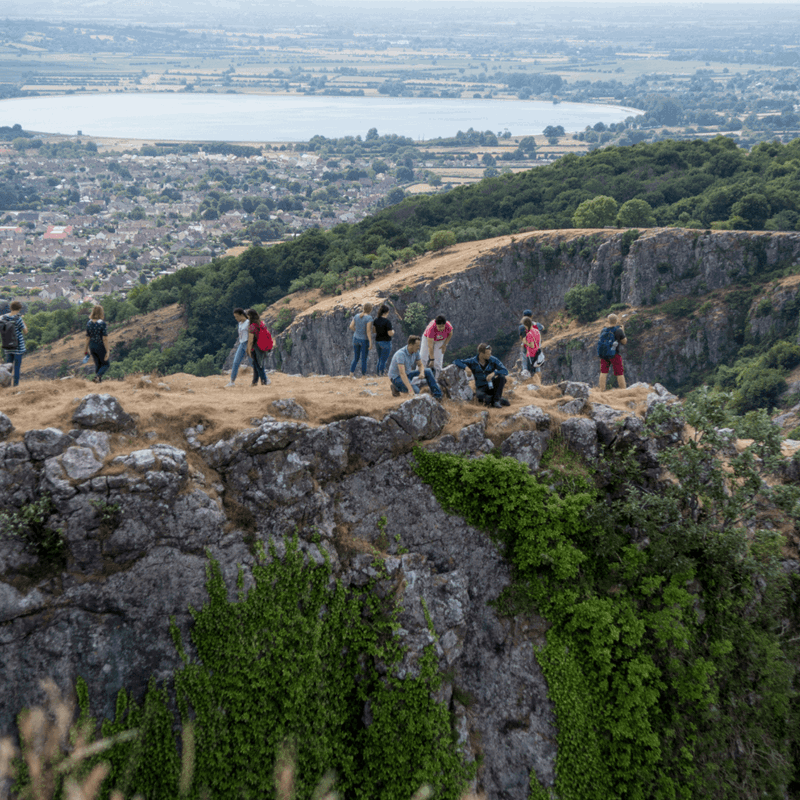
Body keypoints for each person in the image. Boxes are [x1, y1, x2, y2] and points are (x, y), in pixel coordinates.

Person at [453, 343, 510, 408]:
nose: (490, 355)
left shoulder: (493, 360)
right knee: (483, 400)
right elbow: (456, 361)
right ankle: (498, 398)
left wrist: (494, 373)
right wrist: (466, 367)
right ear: (481, 353)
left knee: (502, 378)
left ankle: (496, 401)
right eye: (488, 353)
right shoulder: (473, 361)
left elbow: (505, 371)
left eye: (490, 353)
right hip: (481, 388)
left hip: (492, 385)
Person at [387, 335, 443, 400]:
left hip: (407, 374)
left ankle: (438, 395)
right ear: (411, 345)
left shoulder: (415, 352)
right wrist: (410, 390)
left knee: (428, 371)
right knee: (416, 391)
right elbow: (402, 373)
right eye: (417, 345)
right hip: (397, 377)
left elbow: (420, 365)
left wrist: (422, 372)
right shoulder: (400, 354)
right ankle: (396, 387)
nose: (418, 347)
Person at [597, 313, 627, 391]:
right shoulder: (618, 330)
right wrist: (623, 332)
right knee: (619, 373)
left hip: (604, 355)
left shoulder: (603, 330)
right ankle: (623, 390)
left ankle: (602, 390)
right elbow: (624, 342)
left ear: (608, 320)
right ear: (616, 320)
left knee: (603, 372)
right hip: (615, 354)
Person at [1, 300, 27, 387]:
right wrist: (23, 322)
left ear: (10, 307)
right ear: (19, 309)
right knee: (17, 368)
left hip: (7, 347)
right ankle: (15, 386)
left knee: (8, 368)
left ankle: (6, 385)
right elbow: (25, 331)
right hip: (18, 347)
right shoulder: (18, 319)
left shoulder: (3, 318)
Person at [84, 304, 110, 383]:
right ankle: (97, 377)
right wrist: (108, 351)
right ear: (101, 313)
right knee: (106, 364)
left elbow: (88, 337)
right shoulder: (102, 323)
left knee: (98, 365)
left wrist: (85, 350)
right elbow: (104, 338)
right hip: (100, 346)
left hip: (92, 346)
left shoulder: (89, 323)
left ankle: (98, 383)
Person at [225, 307, 250, 388]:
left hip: (248, 344)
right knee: (236, 362)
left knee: (253, 363)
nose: (235, 318)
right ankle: (232, 382)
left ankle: (265, 379)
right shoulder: (240, 323)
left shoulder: (248, 323)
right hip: (241, 344)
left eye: (236, 316)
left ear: (241, 315)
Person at [349, 302, 375, 377]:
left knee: (356, 357)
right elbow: (368, 331)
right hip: (364, 340)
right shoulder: (369, 318)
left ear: (363, 308)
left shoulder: (357, 316)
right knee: (364, 359)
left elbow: (351, 326)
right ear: (370, 310)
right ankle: (363, 375)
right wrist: (370, 342)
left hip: (356, 338)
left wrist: (357, 331)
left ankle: (351, 373)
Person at [246, 308, 271, 386]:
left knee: (258, 366)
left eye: (248, 316)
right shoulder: (261, 323)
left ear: (250, 316)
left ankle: (264, 381)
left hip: (255, 348)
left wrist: (248, 350)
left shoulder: (252, 326)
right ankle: (254, 382)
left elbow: (250, 340)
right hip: (262, 347)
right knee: (257, 365)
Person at [520, 316, 543, 386]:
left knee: (528, 372)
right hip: (538, 352)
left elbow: (531, 345)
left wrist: (525, 342)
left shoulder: (529, 333)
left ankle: (530, 386)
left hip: (531, 355)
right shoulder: (536, 331)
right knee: (537, 370)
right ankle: (539, 385)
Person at [373, 304, 394, 377]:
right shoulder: (387, 322)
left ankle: (378, 373)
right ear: (386, 312)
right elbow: (390, 333)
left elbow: (374, 331)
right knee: (383, 359)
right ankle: (381, 374)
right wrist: (393, 332)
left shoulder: (376, 320)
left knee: (380, 359)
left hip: (377, 341)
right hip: (386, 342)